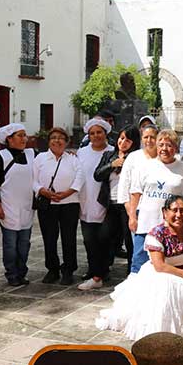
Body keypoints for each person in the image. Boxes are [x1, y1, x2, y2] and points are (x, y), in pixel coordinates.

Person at [96, 195, 183, 339]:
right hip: (164, 277)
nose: (178, 215)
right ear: (165, 212)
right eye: (174, 210)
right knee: (166, 306)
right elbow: (160, 266)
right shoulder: (156, 234)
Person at [129, 129, 183, 274]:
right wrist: (132, 217)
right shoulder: (146, 166)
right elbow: (135, 193)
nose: (164, 149)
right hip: (146, 225)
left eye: (169, 145)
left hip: (172, 229)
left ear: (176, 148)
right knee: (139, 266)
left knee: (166, 267)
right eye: (161, 145)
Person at [32, 127, 84, 285]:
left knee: (69, 238)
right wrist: (43, 191)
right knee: (49, 238)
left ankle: (68, 270)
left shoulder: (73, 159)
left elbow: (80, 178)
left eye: (61, 138)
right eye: (53, 137)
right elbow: (32, 180)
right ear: (48, 141)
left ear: (66, 142)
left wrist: (67, 193)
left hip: (70, 204)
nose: (57, 140)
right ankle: (52, 269)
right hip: (47, 204)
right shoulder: (40, 159)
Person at [0, 123, 36, 286]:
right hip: (8, 207)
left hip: (26, 207)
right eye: (19, 135)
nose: (24, 139)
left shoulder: (32, 154)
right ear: (9, 139)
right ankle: (12, 274)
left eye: (25, 135)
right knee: (10, 244)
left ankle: (22, 272)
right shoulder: (1, 157)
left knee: (24, 244)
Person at [94, 125, 141, 276]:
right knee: (103, 237)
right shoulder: (109, 155)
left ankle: (132, 274)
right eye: (121, 138)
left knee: (129, 241)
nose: (123, 142)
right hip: (112, 203)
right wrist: (111, 165)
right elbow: (97, 175)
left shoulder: (137, 159)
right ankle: (100, 273)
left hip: (128, 205)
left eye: (128, 140)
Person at [76, 118, 114, 290]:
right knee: (89, 239)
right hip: (85, 199)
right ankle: (93, 270)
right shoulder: (81, 153)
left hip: (105, 202)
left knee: (104, 238)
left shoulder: (113, 152)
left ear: (106, 133)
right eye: (92, 133)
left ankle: (102, 270)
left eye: (99, 132)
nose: (96, 136)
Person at [117, 124, 158, 269]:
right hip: (137, 212)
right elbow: (124, 187)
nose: (149, 140)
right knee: (138, 252)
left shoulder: (163, 157)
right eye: (146, 137)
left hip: (158, 213)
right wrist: (131, 213)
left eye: (152, 137)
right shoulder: (133, 158)